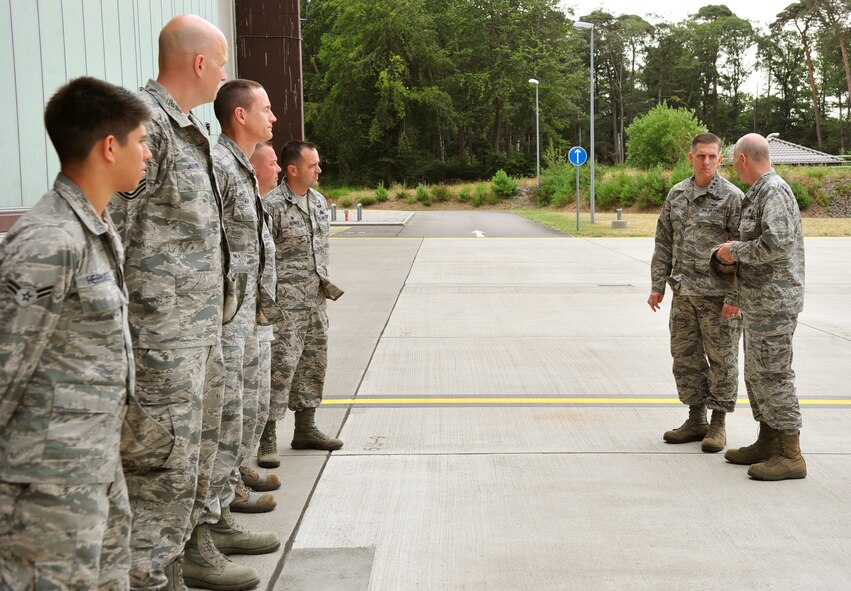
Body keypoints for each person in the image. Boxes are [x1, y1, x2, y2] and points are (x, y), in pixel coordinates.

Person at [108, 14, 255, 591]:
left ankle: (177, 565)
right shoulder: (149, 129)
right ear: (199, 63)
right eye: (220, 64)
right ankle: (147, 577)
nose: (223, 75)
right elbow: (109, 229)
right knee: (158, 479)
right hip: (161, 347)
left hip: (198, 339)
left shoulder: (187, 130)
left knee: (188, 472)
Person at [0, 76, 150, 590]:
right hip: (44, 488)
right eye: (143, 139)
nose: (148, 153)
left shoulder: (93, 229)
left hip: (92, 467)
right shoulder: (49, 240)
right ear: (111, 147)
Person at [181, 79, 283, 588]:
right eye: (266, 109)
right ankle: (202, 531)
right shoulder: (220, 166)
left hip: (243, 318)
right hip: (221, 321)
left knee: (237, 419)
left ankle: (218, 514)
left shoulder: (242, 168)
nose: (274, 118)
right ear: (240, 115)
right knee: (217, 425)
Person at [714, 133, 807, 481]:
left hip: (775, 302)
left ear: (742, 160)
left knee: (775, 376)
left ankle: (791, 454)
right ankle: (769, 441)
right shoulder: (763, 192)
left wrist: (734, 250)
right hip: (761, 301)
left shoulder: (774, 191)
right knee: (758, 375)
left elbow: (777, 242)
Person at [648, 132, 743, 452]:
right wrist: (657, 285)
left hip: (719, 299)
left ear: (720, 159)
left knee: (723, 360)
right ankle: (695, 418)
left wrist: (735, 296)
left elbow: (743, 252)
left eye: (712, 156)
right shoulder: (676, 195)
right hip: (684, 294)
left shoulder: (732, 198)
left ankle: (718, 423)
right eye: (700, 156)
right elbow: (663, 242)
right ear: (690, 158)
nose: (706, 162)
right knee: (686, 359)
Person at [259, 141, 344, 464]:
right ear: (292, 169)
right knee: (279, 370)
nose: (319, 169)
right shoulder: (272, 206)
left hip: (315, 302)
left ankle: (305, 429)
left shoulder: (319, 202)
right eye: (313, 165)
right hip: (284, 308)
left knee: (313, 366)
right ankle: (267, 438)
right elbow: (263, 259)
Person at [249, 143, 283, 469]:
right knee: (244, 405)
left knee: (256, 402)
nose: (278, 169)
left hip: (262, 320)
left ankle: (238, 472)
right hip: (245, 323)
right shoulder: (247, 202)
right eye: (272, 163)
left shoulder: (260, 206)